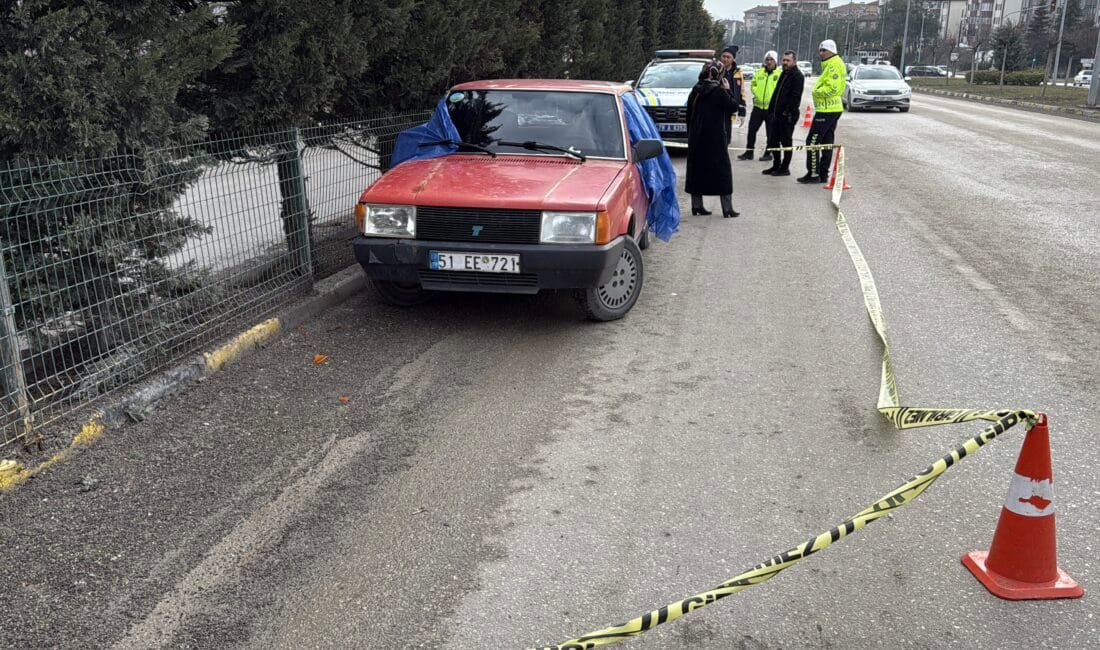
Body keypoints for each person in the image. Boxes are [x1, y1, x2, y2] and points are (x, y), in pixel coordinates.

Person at [685, 61, 739, 218]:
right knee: (723, 173)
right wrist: (728, 90)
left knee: (697, 171)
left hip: (697, 137)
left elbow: (689, 114)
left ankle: (697, 206)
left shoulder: (696, 90)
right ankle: (727, 209)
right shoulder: (719, 92)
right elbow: (733, 107)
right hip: (715, 139)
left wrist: (691, 133)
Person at [798, 39, 846, 184]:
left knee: (812, 142)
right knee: (826, 142)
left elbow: (833, 88)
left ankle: (813, 173)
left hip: (827, 110)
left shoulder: (833, 66)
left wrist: (817, 91)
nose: (821, 53)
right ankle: (823, 174)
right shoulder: (831, 64)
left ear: (831, 51)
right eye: (820, 50)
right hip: (830, 108)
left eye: (823, 50)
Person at [762, 50, 805, 177]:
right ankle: (776, 165)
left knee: (786, 142)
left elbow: (795, 97)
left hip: (787, 115)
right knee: (773, 140)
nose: (785, 62)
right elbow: (777, 93)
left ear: (794, 61)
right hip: (776, 114)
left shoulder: (797, 76)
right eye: (784, 60)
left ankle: (784, 168)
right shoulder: (784, 73)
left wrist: (787, 112)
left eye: (788, 60)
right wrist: (771, 109)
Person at [737, 50, 781, 162]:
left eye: (771, 60)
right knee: (752, 130)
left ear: (775, 61)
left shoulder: (779, 74)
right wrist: (757, 93)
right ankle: (749, 152)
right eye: (767, 59)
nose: (769, 62)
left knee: (770, 133)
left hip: (771, 109)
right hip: (758, 108)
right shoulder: (759, 72)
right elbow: (753, 84)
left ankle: (768, 153)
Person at [718, 45, 745, 145]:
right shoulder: (716, 70)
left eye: (728, 57)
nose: (725, 59)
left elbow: (742, 92)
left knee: (727, 136)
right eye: (723, 56)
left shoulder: (738, 73)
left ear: (733, 59)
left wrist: (742, 112)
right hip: (717, 108)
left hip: (730, 108)